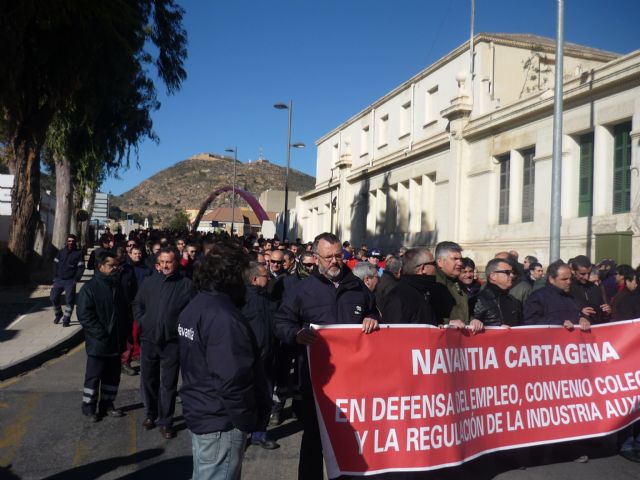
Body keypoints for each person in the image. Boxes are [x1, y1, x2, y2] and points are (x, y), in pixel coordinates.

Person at [275, 232, 379, 480]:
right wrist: (296, 334)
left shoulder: (357, 287)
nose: (334, 261)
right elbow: (281, 322)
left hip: (354, 380)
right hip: (316, 381)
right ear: (316, 257)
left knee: (351, 437)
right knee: (314, 437)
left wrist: (373, 319)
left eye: (338, 256)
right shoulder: (302, 290)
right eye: (328, 257)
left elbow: (374, 312)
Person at [179, 242, 271, 480]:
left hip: (203, 411)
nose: (246, 280)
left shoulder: (196, 306)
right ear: (231, 275)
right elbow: (232, 378)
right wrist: (246, 420)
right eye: (242, 274)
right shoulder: (223, 317)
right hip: (221, 421)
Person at [132, 247, 193, 439]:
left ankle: (166, 421)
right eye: (163, 262)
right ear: (158, 264)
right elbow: (137, 304)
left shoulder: (186, 285)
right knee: (148, 380)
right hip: (149, 339)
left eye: (169, 262)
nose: (166, 265)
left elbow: (192, 313)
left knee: (168, 384)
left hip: (172, 343)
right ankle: (151, 415)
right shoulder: (149, 282)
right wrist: (143, 321)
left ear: (176, 263)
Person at [76, 250, 131, 422]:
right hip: (99, 343)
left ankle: (107, 405)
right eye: (110, 265)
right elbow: (85, 316)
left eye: (116, 265)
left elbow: (125, 311)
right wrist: (101, 334)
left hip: (116, 343)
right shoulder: (89, 288)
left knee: (112, 377)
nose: (115, 268)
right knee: (93, 377)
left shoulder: (118, 286)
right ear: (100, 267)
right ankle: (89, 408)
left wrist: (125, 333)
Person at [241, 261, 279, 450]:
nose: (270, 278)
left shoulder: (269, 299)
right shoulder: (242, 300)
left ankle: (259, 434)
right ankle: (241, 435)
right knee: (246, 399)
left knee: (265, 396)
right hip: (248, 359)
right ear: (255, 279)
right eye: (266, 276)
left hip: (269, 357)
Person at [382, 247, 454, 325]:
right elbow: (394, 332)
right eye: (433, 263)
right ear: (423, 268)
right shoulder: (398, 296)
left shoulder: (428, 290)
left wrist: (447, 323)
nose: (437, 267)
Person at [523, 261, 591, 330]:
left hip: (572, 339)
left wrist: (582, 318)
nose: (569, 282)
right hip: (550, 339)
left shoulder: (572, 297)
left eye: (570, 278)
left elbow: (578, 313)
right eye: (564, 279)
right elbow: (531, 322)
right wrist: (559, 323)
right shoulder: (538, 297)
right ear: (551, 279)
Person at [473, 258, 522, 327]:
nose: (512, 275)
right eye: (507, 272)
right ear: (493, 276)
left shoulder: (515, 302)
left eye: (512, 272)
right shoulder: (476, 301)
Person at [50, 234, 85, 327]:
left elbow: (81, 267)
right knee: (53, 297)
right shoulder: (61, 252)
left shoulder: (78, 253)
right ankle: (58, 314)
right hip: (59, 279)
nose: (71, 243)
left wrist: (76, 279)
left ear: (75, 242)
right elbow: (55, 264)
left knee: (69, 300)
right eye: (69, 241)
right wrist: (54, 277)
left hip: (70, 280)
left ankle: (66, 319)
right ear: (67, 241)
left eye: (73, 241)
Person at [569, 255, 611, 324]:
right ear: (573, 271)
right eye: (582, 274)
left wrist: (607, 311)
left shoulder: (595, 288)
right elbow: (560, 312)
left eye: (588, 273)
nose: (586, 277)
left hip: (595, 330)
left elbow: (602, 314)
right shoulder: (567, 288)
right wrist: (579, 313)